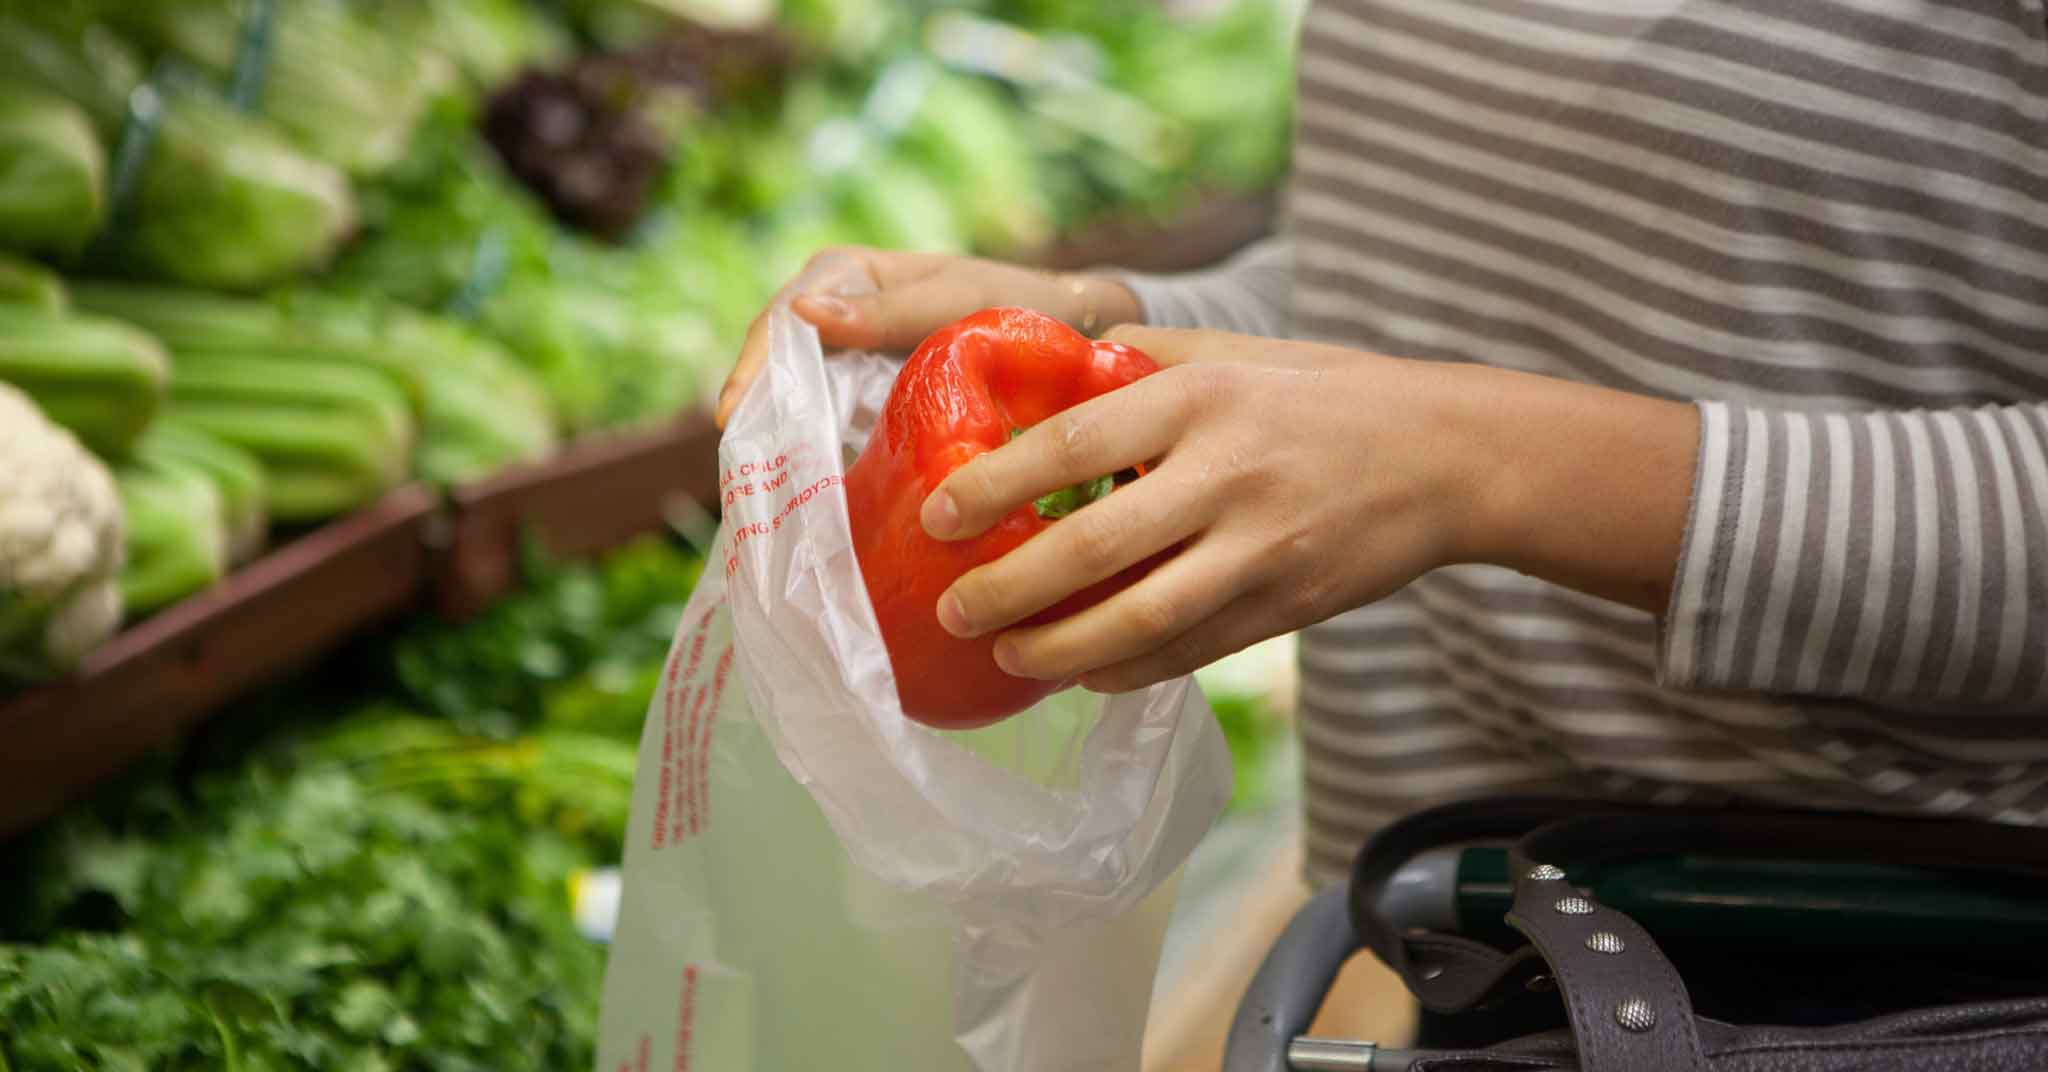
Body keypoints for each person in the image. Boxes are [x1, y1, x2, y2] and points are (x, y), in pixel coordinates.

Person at [718, 0, 2048, 1030]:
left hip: (1878, 967)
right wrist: (1111, 346)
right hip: (1479, 946)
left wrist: (1475, 465)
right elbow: (1428, 279)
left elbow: (1455, 408)